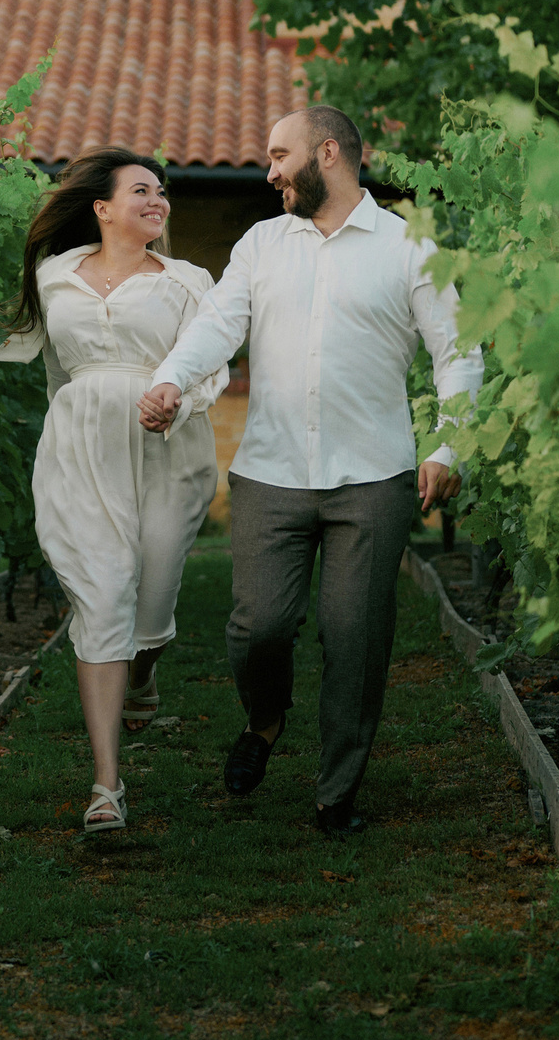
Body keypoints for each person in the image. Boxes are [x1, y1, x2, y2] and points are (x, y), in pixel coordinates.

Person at [136, 105, 481, 837]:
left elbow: (458, 355)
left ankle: (335, 795)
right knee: (256, 628)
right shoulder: (263, 245)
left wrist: (448, 448)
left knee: (354, 634)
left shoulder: (410, 246)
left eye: (278, 155)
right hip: (272, 470)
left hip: (374, 475)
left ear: (328, 153)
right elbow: (219, 324)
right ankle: (264, 722)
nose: (268, 172)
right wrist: (172, 378)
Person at [0, 148, 226, 834]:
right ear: (102, 207)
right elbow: (54, 374)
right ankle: (106, 787)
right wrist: (66, 429)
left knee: (149, 605)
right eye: (142, 191)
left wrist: (175, 401)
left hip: (166, 446)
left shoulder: (188, 280)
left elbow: (210, 369)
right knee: (101, 594)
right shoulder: (54, 275)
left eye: (163, 192)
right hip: (83, 446)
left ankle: (144, 674)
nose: (159, 201)